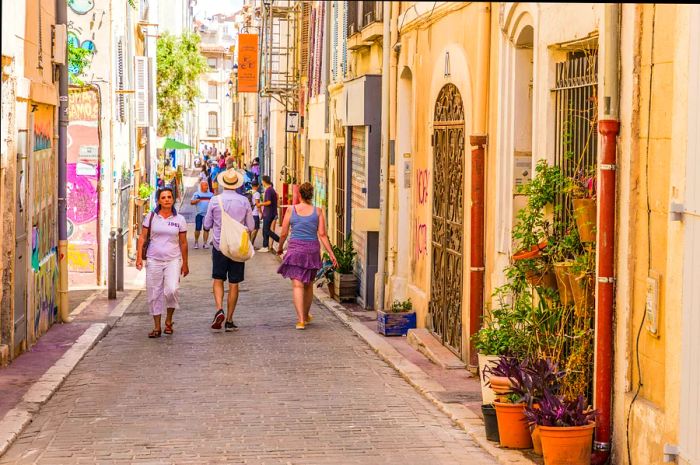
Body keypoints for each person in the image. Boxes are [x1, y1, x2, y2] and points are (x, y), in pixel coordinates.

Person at [276, 182, 337, 330]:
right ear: (312, 195)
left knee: (297, 285)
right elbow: (322, 234)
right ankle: (306, 315)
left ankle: (301, 320)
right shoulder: (318, 211)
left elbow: (283, 233)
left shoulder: (291, 210)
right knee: (308, 285)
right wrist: (331, 253)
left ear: (300, 195)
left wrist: (279, 248)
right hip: (312, 250)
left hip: (295, 250)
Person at [203, 168, 255, 331]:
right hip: (237, 248)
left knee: (218, 279)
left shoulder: (214, 200)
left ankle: (219, 309)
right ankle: (230, 319)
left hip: (220, 246)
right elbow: (251, 226)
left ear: (223, 183)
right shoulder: (244, 201)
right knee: (234, 283)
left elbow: (206, 225)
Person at [136, 187, 189, 338]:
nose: (167, 199)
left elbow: (183, 243)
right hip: (154, 259)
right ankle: (157, 326)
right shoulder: (152, 217)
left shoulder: (180, 220)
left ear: (173, 199)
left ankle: (169, 320)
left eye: (169, 197)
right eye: (163, 197)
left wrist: (185, 263)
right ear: (159, 200)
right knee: (154, 292)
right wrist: (139, 257)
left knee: (172, 290)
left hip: (173, 259)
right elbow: (142, 237)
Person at [259, 175, 280, 253]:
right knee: (265, 230)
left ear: (264, 181)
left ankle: (279, 239)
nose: (261, 182)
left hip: (269, 213)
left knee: (266, 230)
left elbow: (269, 202)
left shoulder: (268, 190)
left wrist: (260, 204)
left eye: (262, 181)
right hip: (269, 213)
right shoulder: (271, 190)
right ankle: (265, 246)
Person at [191, 181, 214, 249]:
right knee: (197, 229)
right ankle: (196, 242)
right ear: (201, 186)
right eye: (205, 185)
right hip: (199, 214)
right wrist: (195, 201)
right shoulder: (196, 194)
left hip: (208, 215)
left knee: (206, 229)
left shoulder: (211, 195)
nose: (206, 187)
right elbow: (191, 202)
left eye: (207, 185)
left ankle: (205, 243)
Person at [250, 179, 262, 248]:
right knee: (255, 229)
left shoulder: (248, 191)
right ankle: (251, 245)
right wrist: (260, 212)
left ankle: (249, 244)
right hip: (255, 213)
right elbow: (257, 204)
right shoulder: (257, 193)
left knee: (249, 229)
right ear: (257, 186)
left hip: (249, 213)